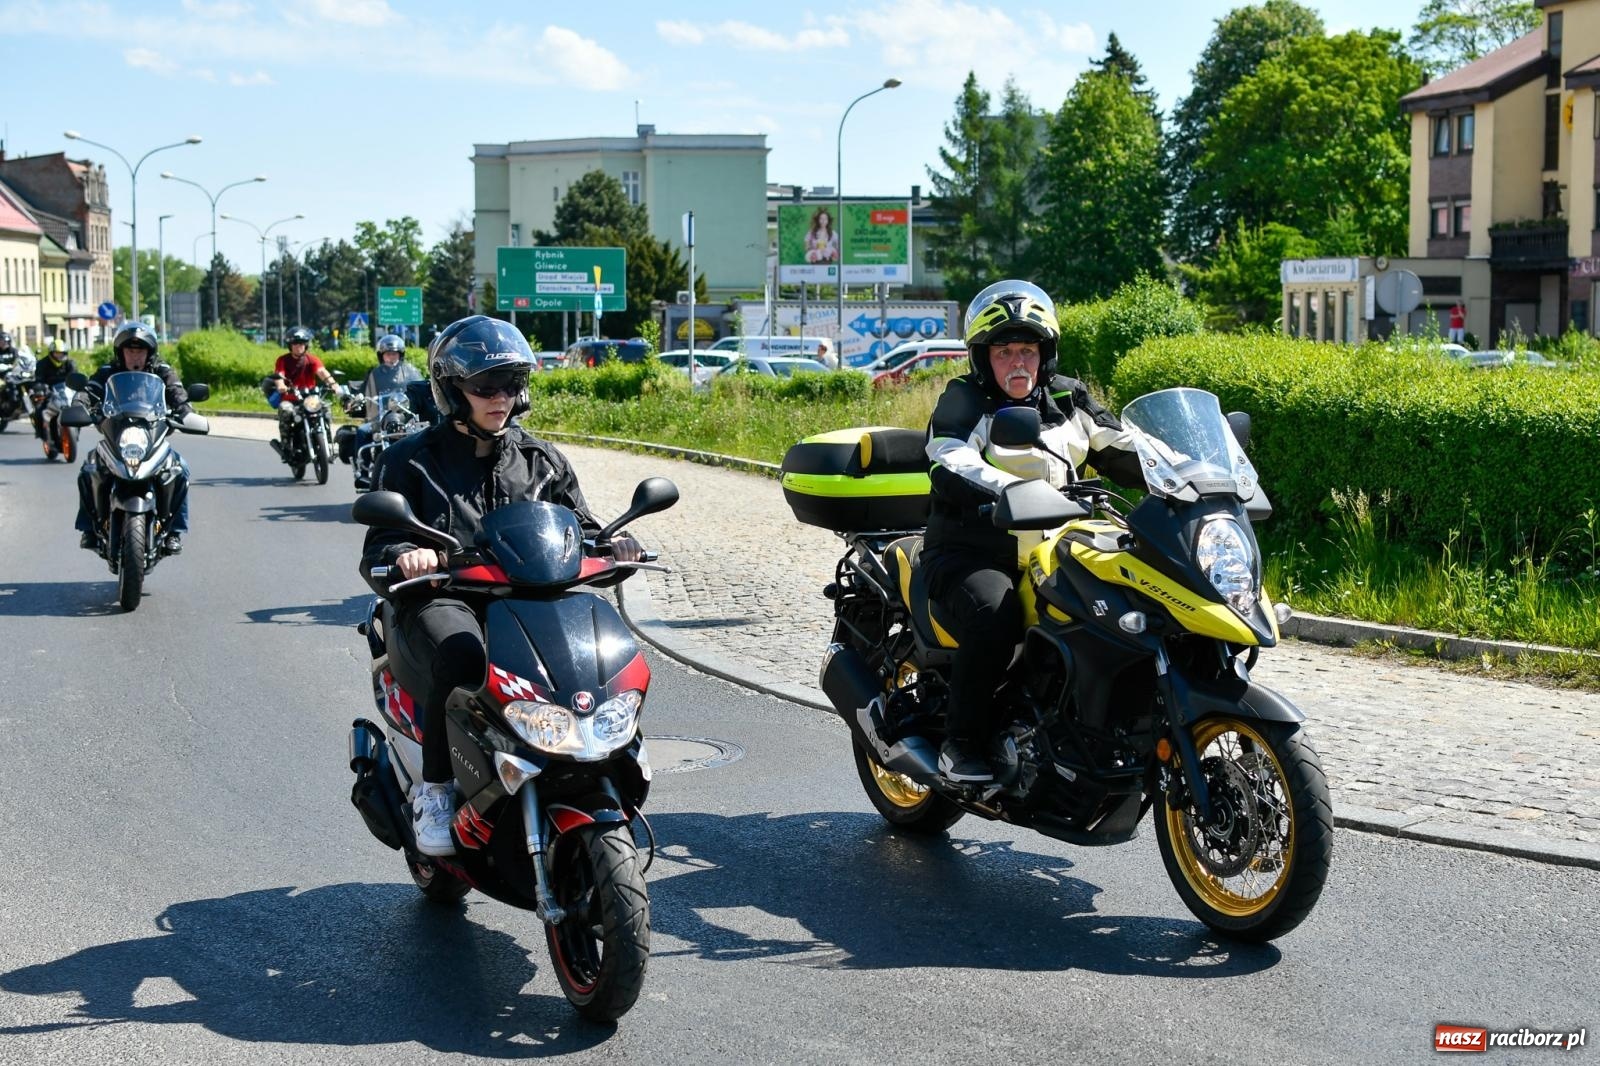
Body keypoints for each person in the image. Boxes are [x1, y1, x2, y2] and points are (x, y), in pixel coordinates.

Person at [359, 315, 643, 856]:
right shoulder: (412, 462)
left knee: (601, 653)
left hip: (530, 601)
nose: (502, 398)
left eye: (512, 384)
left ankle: (604, 759)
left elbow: (581, 527)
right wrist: (406, 554)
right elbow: (380, 544)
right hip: (447, 597)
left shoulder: (541, 460)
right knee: (462, 653)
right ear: (451, 390)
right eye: (486, 386)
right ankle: (439, 790)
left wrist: (614, 547)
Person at [922, 280, 1144, 783]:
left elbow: (1127, 449)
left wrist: (1194, 472)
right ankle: (961, 745)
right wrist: (1009, 490)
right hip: (972, 552)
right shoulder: (964, 400)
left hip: (1060, 551)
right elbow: (948, 460)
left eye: (1028, 349)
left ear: (1046, 353)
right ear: (983, 357)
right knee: (995, 614)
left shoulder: (1068, 397)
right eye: (1004, 351)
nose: (1018, 362)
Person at [75, 323, 197, 555]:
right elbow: (89, 392)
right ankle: (89, 528)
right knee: (89, 468)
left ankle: (174, 531)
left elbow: (177, 394)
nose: (135, 355)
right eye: (129, 351)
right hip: (116, 435)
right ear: (120, 352)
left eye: (140, 351)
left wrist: (187, 413)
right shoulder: (108, 371)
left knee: (181, 469)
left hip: (151, 436)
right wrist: (79, 406)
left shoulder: (162, 371)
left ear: (149, 353)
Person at [338, 333, 424, 474]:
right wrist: (355, 399)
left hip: (406, 417)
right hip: (380, 418)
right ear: (381, 355)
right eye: (388, 354)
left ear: (400, 354)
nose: (391, 357)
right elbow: (363, 391)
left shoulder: (410, 370)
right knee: (362, 431)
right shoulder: (374, 373)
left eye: (394, 354)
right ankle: (363, 469)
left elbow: (419, 386)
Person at [266, 325, 341, 459]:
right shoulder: (283, 360)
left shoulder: (312, 359)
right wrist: (281, 385)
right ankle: (286, 446)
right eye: (295, 344)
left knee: (325, 409)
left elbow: (322, 372)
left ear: (306, 345)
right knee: (285, 411)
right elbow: (279, 374)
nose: (298, 346)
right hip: (291, 399)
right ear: (290, 345)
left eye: (301, 343)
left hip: (310, 399)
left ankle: (329, 445)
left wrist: (333, 384)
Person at [30, 338, 77, 446]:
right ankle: (42, 435)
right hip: (49, 392)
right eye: (56, 353)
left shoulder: (70, 363)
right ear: (51, 353)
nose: (59, 356)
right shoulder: (42, 363)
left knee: (80, 409)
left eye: (61, 353)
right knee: (39, 411)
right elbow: (38, 379)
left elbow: (75, 377)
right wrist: (40, 387)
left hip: (66, 392)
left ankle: (75, 432)